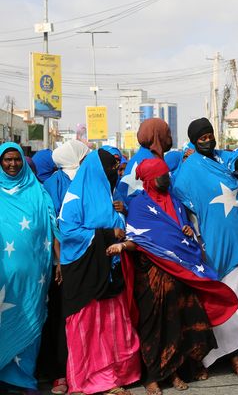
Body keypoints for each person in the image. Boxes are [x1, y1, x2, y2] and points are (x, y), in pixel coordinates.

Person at [107, 158, 238, 395]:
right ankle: (153, 377)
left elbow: (179, 235)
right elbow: (140, 238)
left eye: (167, 174)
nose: (168, 179)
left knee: (182, 319)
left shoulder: (175, 202)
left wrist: (187, 231)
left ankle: (178, 371)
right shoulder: (139, 206)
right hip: (152, 276)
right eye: (163, 176)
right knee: (154, 325)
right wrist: (124, 246)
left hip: (180, 273)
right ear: (150, 180)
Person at [173, 114, 238, 377]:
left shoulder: (226, 158)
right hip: (209, 248)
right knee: (213, 304)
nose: (207, 140)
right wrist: (197, 243)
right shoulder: (187, 172)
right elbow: (187, 213)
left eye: (209, 135)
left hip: (235, 242)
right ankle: (209, 359)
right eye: (201, 138)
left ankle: (236, 359)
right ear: (193, 141)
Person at [59, 149, 140, 395]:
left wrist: (121, 215)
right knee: (88, 330)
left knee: (111, 328)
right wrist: (106, 235)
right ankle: (92, 379)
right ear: (96, 170)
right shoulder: (74, 197)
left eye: (115, 169)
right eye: (109, 169)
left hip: (109, 274)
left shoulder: (109, 196)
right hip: (84, 274)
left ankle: (115, 375)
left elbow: (121, 230)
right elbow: (68, 232)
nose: (114, 173)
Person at [0, 143, 59, 393]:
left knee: (31, 318)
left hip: (35, 275)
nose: (12, 164)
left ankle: (23, 378)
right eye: (7, 160)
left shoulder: (38, 190)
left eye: (16, 160)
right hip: (4, 277)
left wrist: (59, 263)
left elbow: (53, 227)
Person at [40, 140, 90, 395]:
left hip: (85, 261)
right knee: (60, 318)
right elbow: (50, 225)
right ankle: (61, 373)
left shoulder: (87, 181)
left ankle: (81, 370)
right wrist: (59, 261)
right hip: (62, 263)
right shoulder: (52, 186)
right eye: (82, 155)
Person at [118, 118, 173, 204]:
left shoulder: (135, 159)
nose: (169, 137)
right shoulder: (154, 164)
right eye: (167, 133)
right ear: (158, 135)